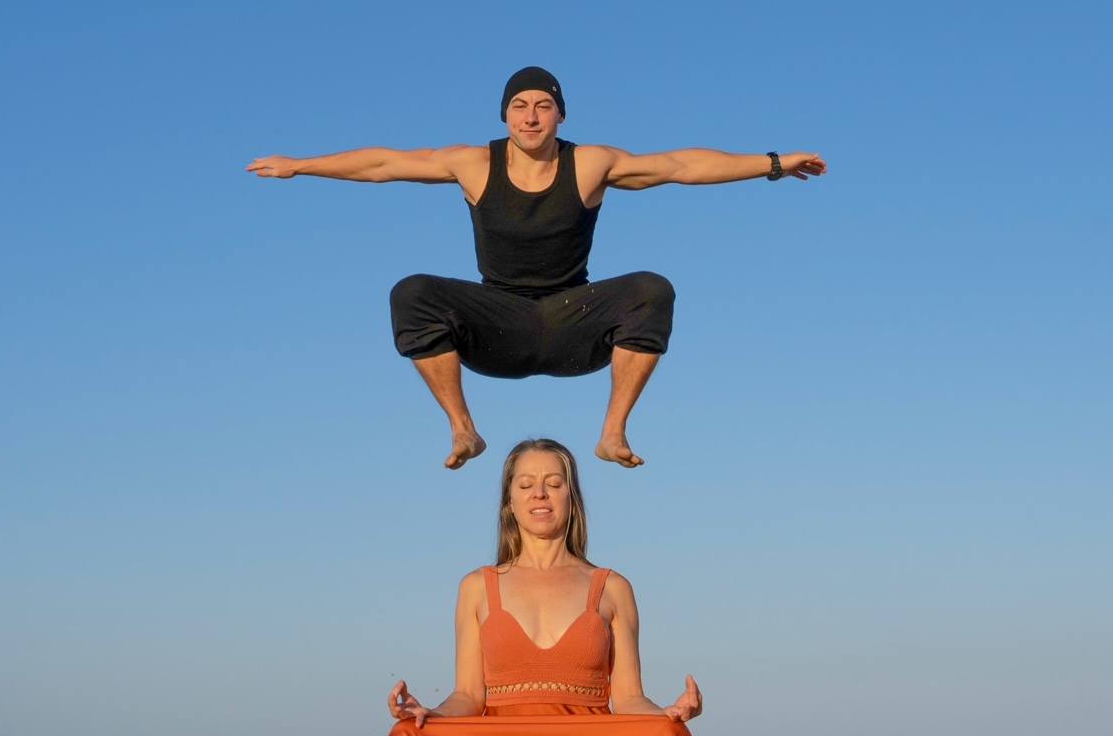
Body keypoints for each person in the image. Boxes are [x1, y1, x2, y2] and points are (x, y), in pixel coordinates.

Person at [248, 66, 824, 468]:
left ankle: (613, 432)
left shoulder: (591, 163)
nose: (531, 116)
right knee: (412, 292)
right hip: (496, 324)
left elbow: (680, 166)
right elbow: (383, 164)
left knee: (653, 289)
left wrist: (773, 164)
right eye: (520, 106)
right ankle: (462, 428)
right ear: (504, 116)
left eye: (543, 105)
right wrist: (300, 165)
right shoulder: (473, 164)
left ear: (561, 114)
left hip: (574, 320)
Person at [384, 438, 700, 736]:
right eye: (526, 484)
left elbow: (630, 698)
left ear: (572, 497)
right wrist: (430, 715)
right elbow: (468, 695)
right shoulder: (477, 587)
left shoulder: (612, 587)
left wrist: (667, 714)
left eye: (554, 482)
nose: (540, 493)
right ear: (509, 502)